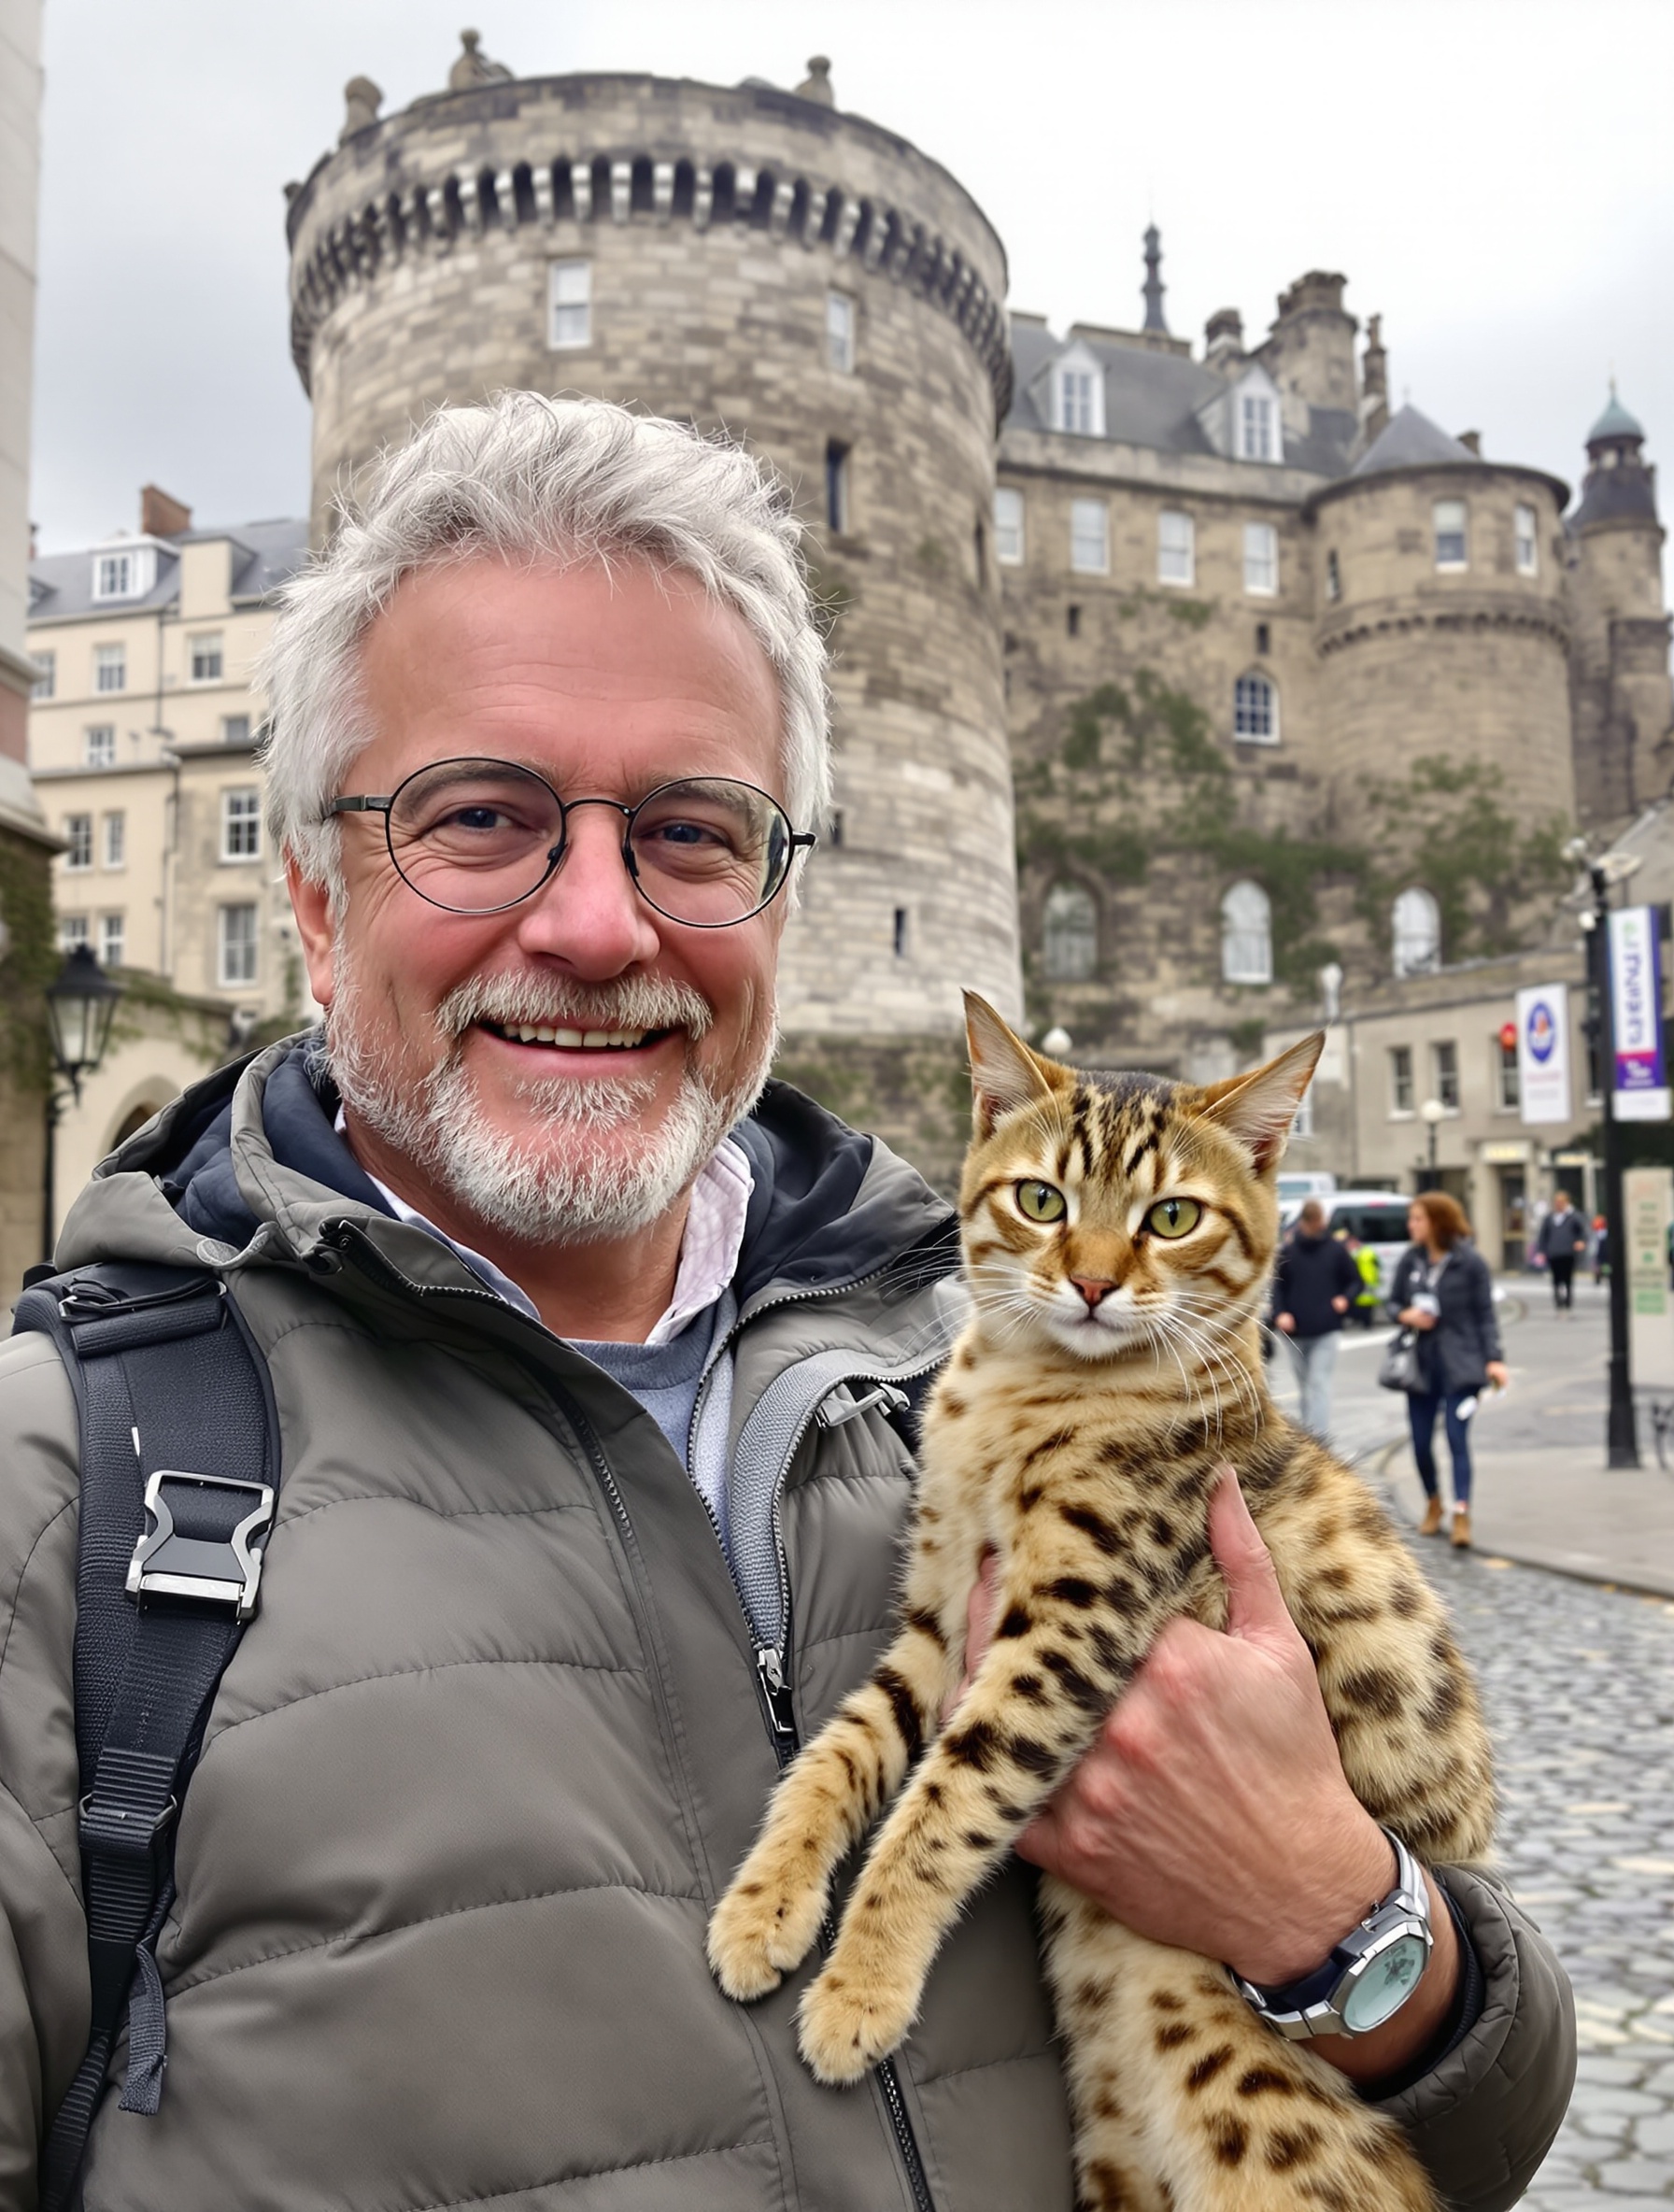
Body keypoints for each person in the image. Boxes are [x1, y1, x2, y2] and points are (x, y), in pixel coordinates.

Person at [0, 395, 1571, 2209]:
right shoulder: (61, 1491)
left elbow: (1483, 2127)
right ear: (309, 891)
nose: (598, 925)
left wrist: (1342, 1919)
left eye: (691, 830)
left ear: (787, 897)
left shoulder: (979, 1378)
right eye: (480, 816)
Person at [1391, 1192, 1510, 1551]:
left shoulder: (1469, 1263)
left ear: (1437, 1222)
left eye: (1417, 1219)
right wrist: (1407, 1315)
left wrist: (1494, 1358)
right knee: (1421, 1443)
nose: (1411, 1225)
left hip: (1462, 1365)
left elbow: (1485, 1314)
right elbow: (1393, 1302)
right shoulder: (1411, 1260)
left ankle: (1461, 1513)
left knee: (1457, 1439)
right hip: (1421, 1366)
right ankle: (1433, 1501)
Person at [1270, 1198, 1361, 1434]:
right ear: (1304, 1223)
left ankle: (1317, 1440)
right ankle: (1309, 1435)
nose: (1317, 1227)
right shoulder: (1289, 1252)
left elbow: (1355, 1281)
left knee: (1318, 1383)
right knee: (1305, 1387)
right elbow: (1277, 1287)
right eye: (1312, 1223)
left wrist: (1345, 1299)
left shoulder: (1335, 1250)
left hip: (1326, 1329)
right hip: (1295, 1332)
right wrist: (1280, 1313)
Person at [1535, 1188, 1587, 1312]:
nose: (1558, 1204)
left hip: (1568, 1252)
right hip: (1553, 1252)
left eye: (1561, 1202)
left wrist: (1581, 1241)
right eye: (1557, 1202)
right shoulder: (1549, 1218)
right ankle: (1558, 1298)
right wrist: (1541, 1251)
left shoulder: (1574, 1217)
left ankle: (1568, 1297)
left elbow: (1582, 1232)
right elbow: (1543, 1235)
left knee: (1568, 1276)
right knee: (1556, 1277)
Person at [1342, 1226, 1383, 1326]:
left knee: (1362, 1310)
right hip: (1369, 1286)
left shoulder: (1356, 1254)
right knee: (1366, 1311)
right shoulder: (1369, 1251)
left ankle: (1364, 1322)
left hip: (1363, 1286)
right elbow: (1378, 1266)